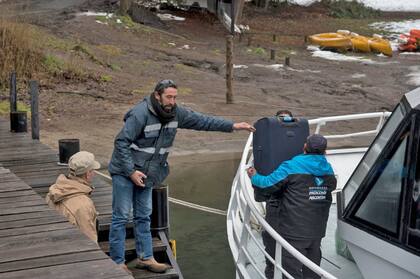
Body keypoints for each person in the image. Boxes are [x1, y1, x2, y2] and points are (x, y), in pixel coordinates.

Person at [108, 79, 255, 273]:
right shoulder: (140, 113)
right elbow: (121, 143)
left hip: (148, 173)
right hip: (125, 172)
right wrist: (130, 171)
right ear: (157, 95)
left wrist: (234, 125)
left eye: (175, 97)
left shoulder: (176, 113)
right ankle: (117, 263)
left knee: (143, 216)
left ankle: (146, 257)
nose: (172, 101)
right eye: (168, 97)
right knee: (121, 216)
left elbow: (204, 121)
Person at [247, 134, 336, 279]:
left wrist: (254, 176)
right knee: (312, 269)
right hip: (317, 231)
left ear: (305, 147)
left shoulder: (292, 165)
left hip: (294, 231)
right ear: (325, 151)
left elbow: (268, 184)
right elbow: (330, 188)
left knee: (290, 272)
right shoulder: (328, 169)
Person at [46, 151, 100, 242]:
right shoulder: (84, 205)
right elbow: (90, 241)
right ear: (87, 174)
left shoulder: (52, 192)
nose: (94, 174)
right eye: (93, 171)